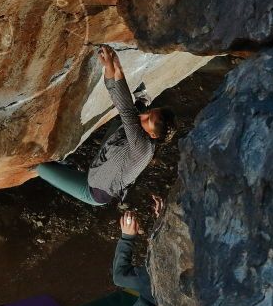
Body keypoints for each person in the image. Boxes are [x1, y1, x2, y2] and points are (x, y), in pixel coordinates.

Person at [37, 45, 175, 206]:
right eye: (150, 112)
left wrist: (115, 67)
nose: (144, 116)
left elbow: (125, 108)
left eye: (148, 119)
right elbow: (126, 107)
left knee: (42, 169)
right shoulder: (141, 129)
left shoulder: (142, 149)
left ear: (153, 135)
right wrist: (111, 69)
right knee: (130, 118)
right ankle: (143, 102)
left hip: (94, 190)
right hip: (111, 154)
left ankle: (142, 103)